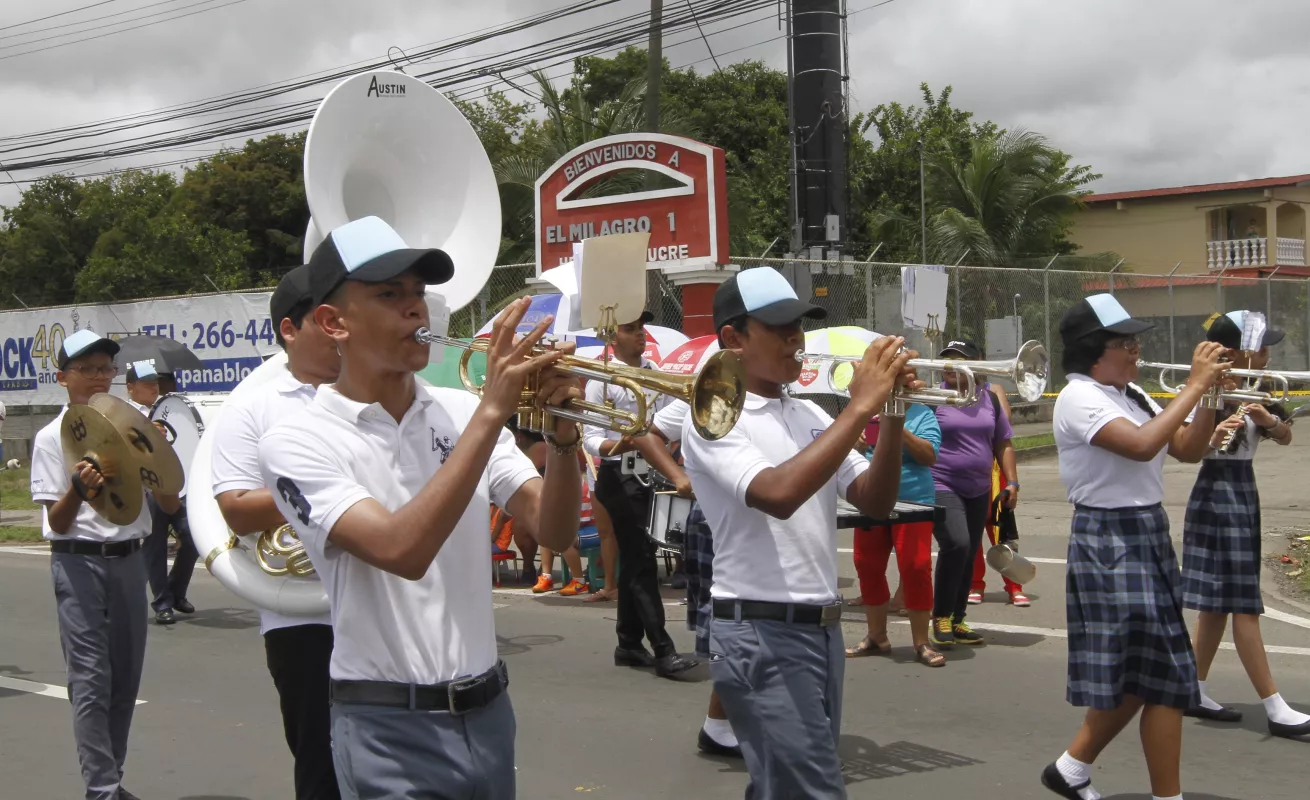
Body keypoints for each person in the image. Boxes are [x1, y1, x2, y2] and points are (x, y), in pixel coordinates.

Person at [258, 216, 582, 799]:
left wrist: (563, 438)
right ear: (333, 322)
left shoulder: (459, 412)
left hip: (488, 713)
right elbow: (400, 550)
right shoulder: (297, 439)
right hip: (388, 728)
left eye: (417, 294)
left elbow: (555, 531)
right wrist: (492, 413)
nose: (417, 310)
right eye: (389, 295)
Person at [680, 267, 918, 799]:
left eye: (799, 326)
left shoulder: (809, 412)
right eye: (779, 327)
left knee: (784, 788)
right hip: (760, 628)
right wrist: (858, 406)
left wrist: (893, 414)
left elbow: (875, 502)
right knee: (814, 791)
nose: (796, 339)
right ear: (734, 340)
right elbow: (778, 494)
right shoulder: (714, 415)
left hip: (818, 627)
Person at [1041, 293, 1225, 800]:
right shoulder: (1080, 397)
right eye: (1126, 342)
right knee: (1159, 672)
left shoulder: (1132, 393)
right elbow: (1142, 445)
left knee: (1154, 674)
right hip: (1108, 536)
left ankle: (1073, 767)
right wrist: (1194, 385)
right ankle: (1154, 791)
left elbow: (1187, 449)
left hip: (1145, 530)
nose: (1137, 350)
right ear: (1094, 349)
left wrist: (1207, 398)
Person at [30, 329, 182, 800]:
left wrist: (158, 459)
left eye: (105, 369)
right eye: (87, 369)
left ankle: (110, 779)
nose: (99, 377)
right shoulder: (50, 436)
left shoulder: (134, 426)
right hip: (78, 564)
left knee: (125, 676)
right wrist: (78, 489)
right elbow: (56, 521)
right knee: (91, 680)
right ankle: (102, 789)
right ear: (63, 377)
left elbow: (169, 503)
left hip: (130, 562)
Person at [209, 265, 343, 800]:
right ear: (290, 329)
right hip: (302, 618)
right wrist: (336, 492)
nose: (343, 328)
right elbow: (237, 511)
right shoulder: (251, 407)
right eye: (327, 318)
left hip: (385, 599)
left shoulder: (379, 394)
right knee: (321, 764)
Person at [1181, 310, 1310, 739]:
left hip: (1243, 489)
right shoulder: (1203, 387)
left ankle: (1192, 689)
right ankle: (1274, 706)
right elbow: (1189, 446)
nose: (1269, 353)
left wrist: (1268, 421)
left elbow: (1288, 434)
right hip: (1216, 490)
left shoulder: (1261, 388)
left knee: (1218, 605)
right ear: (1236, 352)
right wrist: (1216, 421)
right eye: (1262, 347)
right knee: (1242, 603)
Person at [582, 311, 697, 679]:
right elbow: (589, 438)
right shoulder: (602, 377)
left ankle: (628, 642)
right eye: (630, 329)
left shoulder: (654, 369)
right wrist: (621, 444)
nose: (640, 335)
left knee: (638, 557)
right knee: (641, 559)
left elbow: (666, 422)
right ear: (612, 336)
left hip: (652, 472)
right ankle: (663, 649)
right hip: (620, 476)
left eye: (641, 328)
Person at [638, 398, 741, 757]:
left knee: (741, 620)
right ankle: (727, 726)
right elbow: (646, 433)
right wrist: (680, 476)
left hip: (750, 513)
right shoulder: (710, 387)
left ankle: (721, 725)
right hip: (715, 513)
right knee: (730, 621)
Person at [927, 339, 1018, 648]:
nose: (951, 364)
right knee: (957, 543)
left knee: (968, 552)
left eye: (960, 358)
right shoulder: (932, 397)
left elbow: (1003, 442)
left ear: (977, 362)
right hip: (942, 484)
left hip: (979, 488)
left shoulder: (989, 399)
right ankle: (940, 615)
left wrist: (1012, 482)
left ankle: (957, 618)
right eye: (947, 358)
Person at [847, 402, 944, 667]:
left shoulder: (922, 414)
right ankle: (876, 636)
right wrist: (855, 444)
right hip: (871, 497)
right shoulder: (867, 409)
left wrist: (897, 428)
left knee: (916, 566)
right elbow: (846, 451)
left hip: (914, 501)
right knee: (867, 565)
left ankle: (921, 641)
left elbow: (930, 455)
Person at [127, 360, 199, 625]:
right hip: (148, 489)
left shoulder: (165, 410)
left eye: (155, 383)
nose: (153, 388)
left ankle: (176, 591)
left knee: (193, 538)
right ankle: (162, 602)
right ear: (131, 388)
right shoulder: (125, 415)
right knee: (155, 546)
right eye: (146, 384)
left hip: (176, 487)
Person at [969, 378, 1031, 607]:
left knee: (1002, 533)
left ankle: (1015, 586)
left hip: (994, 472)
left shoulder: (993, 391)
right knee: (971, 536)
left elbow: (1004, 425)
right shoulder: (947, 393)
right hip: (967, 474)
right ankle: (975, 584)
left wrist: (1013, 481)